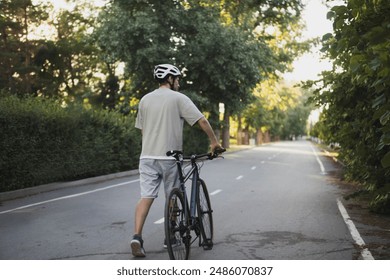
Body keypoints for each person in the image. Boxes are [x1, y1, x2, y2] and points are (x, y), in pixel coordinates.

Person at [130, 63, 223, 257]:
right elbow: (202, 121)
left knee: (146, 196)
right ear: (170, 79)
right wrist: (214, 143)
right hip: (169, 157)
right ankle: (171, 236)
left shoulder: (145, 100)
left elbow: (143, 131)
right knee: (174, 194)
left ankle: (137, 237)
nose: (179, 82)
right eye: (177, 78)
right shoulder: (179, 98)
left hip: (146, 156)